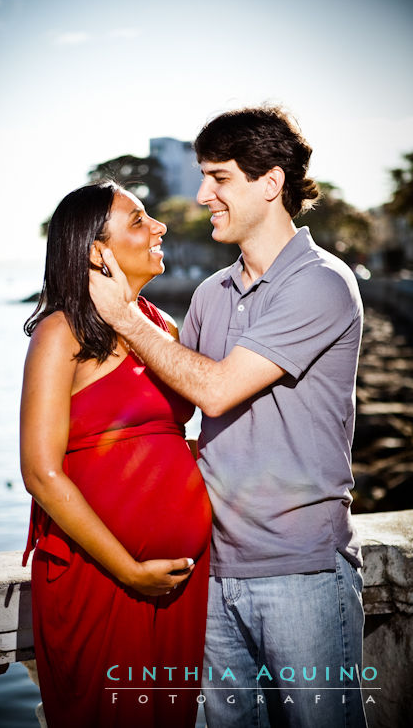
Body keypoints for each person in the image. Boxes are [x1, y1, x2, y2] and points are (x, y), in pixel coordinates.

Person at [89, 106, 369, 727]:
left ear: (270, 183)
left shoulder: (322, 283)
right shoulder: (211, 293)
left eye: (218, 178)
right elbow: (171, 411)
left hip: (302, 575)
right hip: (211, 573)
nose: (201, 194)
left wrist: (126, 316)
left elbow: (214, 390)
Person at [20, 181, 212, 727]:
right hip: (101, 576)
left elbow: (164, 437)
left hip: (180, 582)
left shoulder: (161, 327)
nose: (160, 228)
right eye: (139, 221)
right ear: (95, 251)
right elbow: (39, 470)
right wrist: (128, 569)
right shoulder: (61, 333)